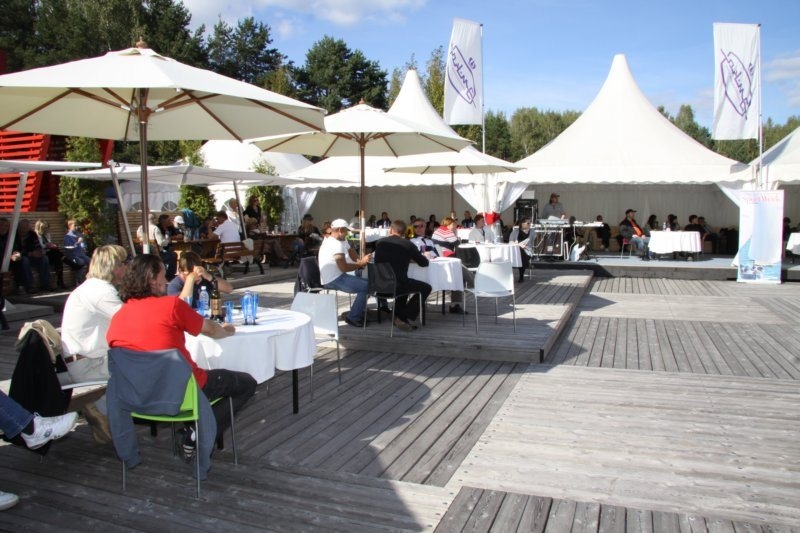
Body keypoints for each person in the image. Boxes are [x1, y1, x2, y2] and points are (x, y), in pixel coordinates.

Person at [106, 254, 256, 457]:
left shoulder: (118, 317)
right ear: (152, 279)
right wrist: (226, 331)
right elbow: (211, 330)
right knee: (246, 383)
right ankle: (195, 433)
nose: (167, 280)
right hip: (181, 392)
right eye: (163, 275)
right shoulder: (170, 306)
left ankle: (193, 432)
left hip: (137, 395)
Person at [60, 244, 129, 444]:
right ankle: (106, 412)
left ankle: (104, 412)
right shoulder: (101, 292)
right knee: (148, 365)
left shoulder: (91, 288)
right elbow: (132, 321)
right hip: (90, 364)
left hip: (84, 359)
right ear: (115, 266)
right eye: (125, 263)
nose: (127, 267)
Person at [374, 220, 432, 332]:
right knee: (426, 288)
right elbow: (424, 263)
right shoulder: (408, 245)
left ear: (391, 230)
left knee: (405, 284)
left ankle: (397, 315)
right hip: (397, 286)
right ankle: (402, 316)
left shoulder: (379, 243)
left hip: (379, 286)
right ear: (405, 232)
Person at [319, 219, 373, 327]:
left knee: (365, 278)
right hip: (334, 279)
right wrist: (361, 263)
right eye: (346, 231)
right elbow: (344, 268)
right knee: (368, 286)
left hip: (333, 275)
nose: (347, 233)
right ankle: (353, 317)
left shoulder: (336, 240)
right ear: (340, 230)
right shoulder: (336, 245)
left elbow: (351, 252)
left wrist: (359, 262)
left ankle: (358, 308)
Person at [167, 251, 233, 307]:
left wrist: (208, 276)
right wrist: (190, 279)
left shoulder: (204, 278)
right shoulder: (175, 285)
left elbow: (229, 289)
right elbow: (181, 306)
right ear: (180, 271)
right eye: (189, 273)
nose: (195, 275)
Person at [16, 219, 52, 292]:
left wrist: (39, 252)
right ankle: (29, 286)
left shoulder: (32, 234)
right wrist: (29, 253)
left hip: (32, 257)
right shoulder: (15, 235)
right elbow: (15, 250)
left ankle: (45, 284)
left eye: (26, 228)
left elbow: (37, 246)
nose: (23, 230)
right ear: (18, 227)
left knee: (44, 258)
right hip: (20, 258)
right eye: (22, 228)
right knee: (25, 260)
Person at [34, 219, 66, 290]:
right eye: (44, 228)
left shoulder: (47, 234)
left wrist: (51, 245)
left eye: (47, 228)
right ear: (40, 228)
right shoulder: (35, 235)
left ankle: (60, 281)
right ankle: (60, 281)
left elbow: (49, 244)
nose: (46, 229)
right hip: (41, 253)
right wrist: (47, 245)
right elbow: (40, 246)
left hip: (49, 253)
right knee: (58, 256)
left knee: (58, 257)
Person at [63, 219, 90, 285]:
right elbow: (69, 248)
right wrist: (77, 242)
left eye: (77, 225)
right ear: (70, 226)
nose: (77, 227)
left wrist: (83, 245)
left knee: (91, 261)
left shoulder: (79, 235)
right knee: (81, 262)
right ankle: (78, 280)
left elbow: (83, 246)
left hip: (81, 254)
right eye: (75, 225)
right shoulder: (67, 236)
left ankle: (88, 278)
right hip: (72, 255)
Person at [509, 218, 535, 282]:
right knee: (520, 253)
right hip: (516, 250)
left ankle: (521, 276)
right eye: (528, 223)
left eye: (530, 223)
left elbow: (534, 242)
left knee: (522, 254)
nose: (530, 224)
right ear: (522, 224)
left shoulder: (532, 231)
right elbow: (510, 242)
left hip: (527, 251)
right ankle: (526, 265)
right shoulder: (515, 231)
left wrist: (526, 246)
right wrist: (518, 244)